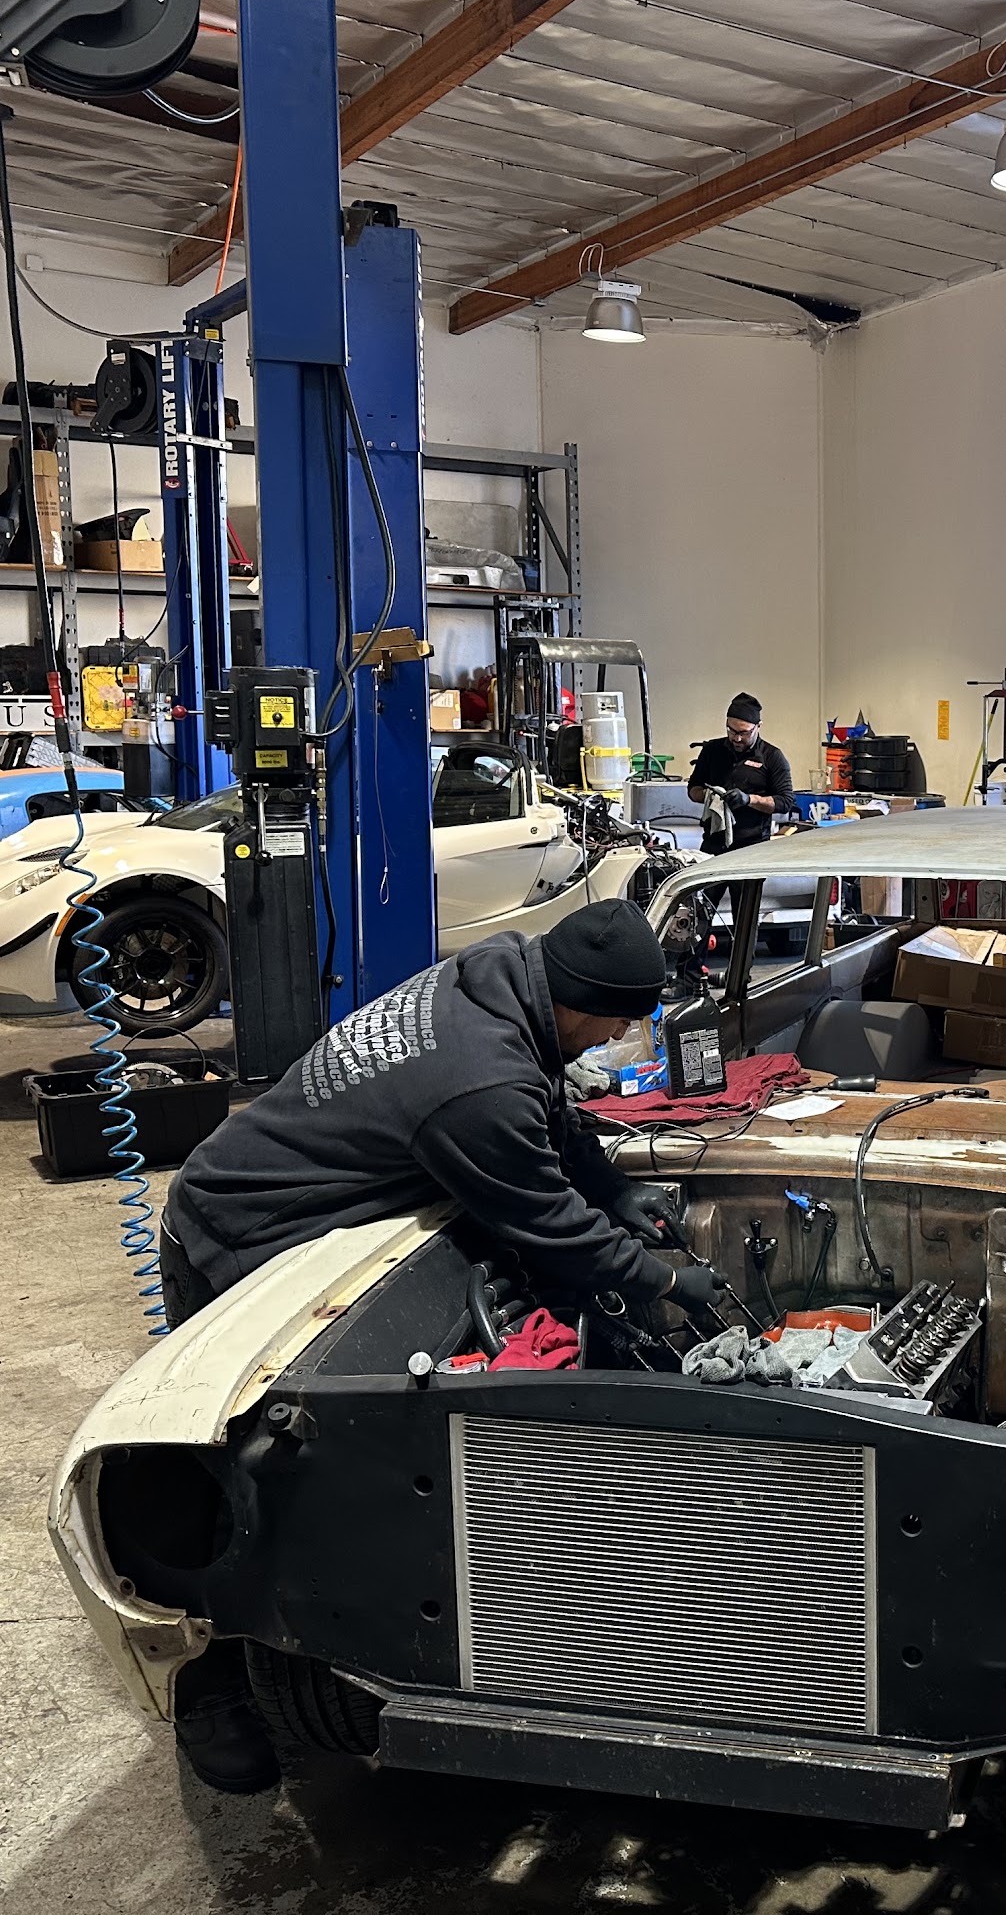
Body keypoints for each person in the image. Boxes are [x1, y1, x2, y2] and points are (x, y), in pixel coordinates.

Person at [157, 898, 715, 1793]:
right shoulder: (475, 1078)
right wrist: (661, 1280)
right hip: (240, 1239)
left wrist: (612, 1187)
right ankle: (208, 1682)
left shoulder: (504, 974)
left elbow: (550, 1110)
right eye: (618, 1021)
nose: (620, 1037)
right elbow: (546, 1222)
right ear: (579, 999)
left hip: (323, 1225)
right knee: (234, 1466)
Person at [687, 691, 795, 854]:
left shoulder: (772, 756)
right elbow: (693, 788)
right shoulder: (712, 750)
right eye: (731, 731)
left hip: (753, 848)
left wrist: (749, 800)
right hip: (712, 844)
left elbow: (785, 802)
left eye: (744, 733)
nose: (737, 738)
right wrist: (709, 796)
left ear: (758, 727)